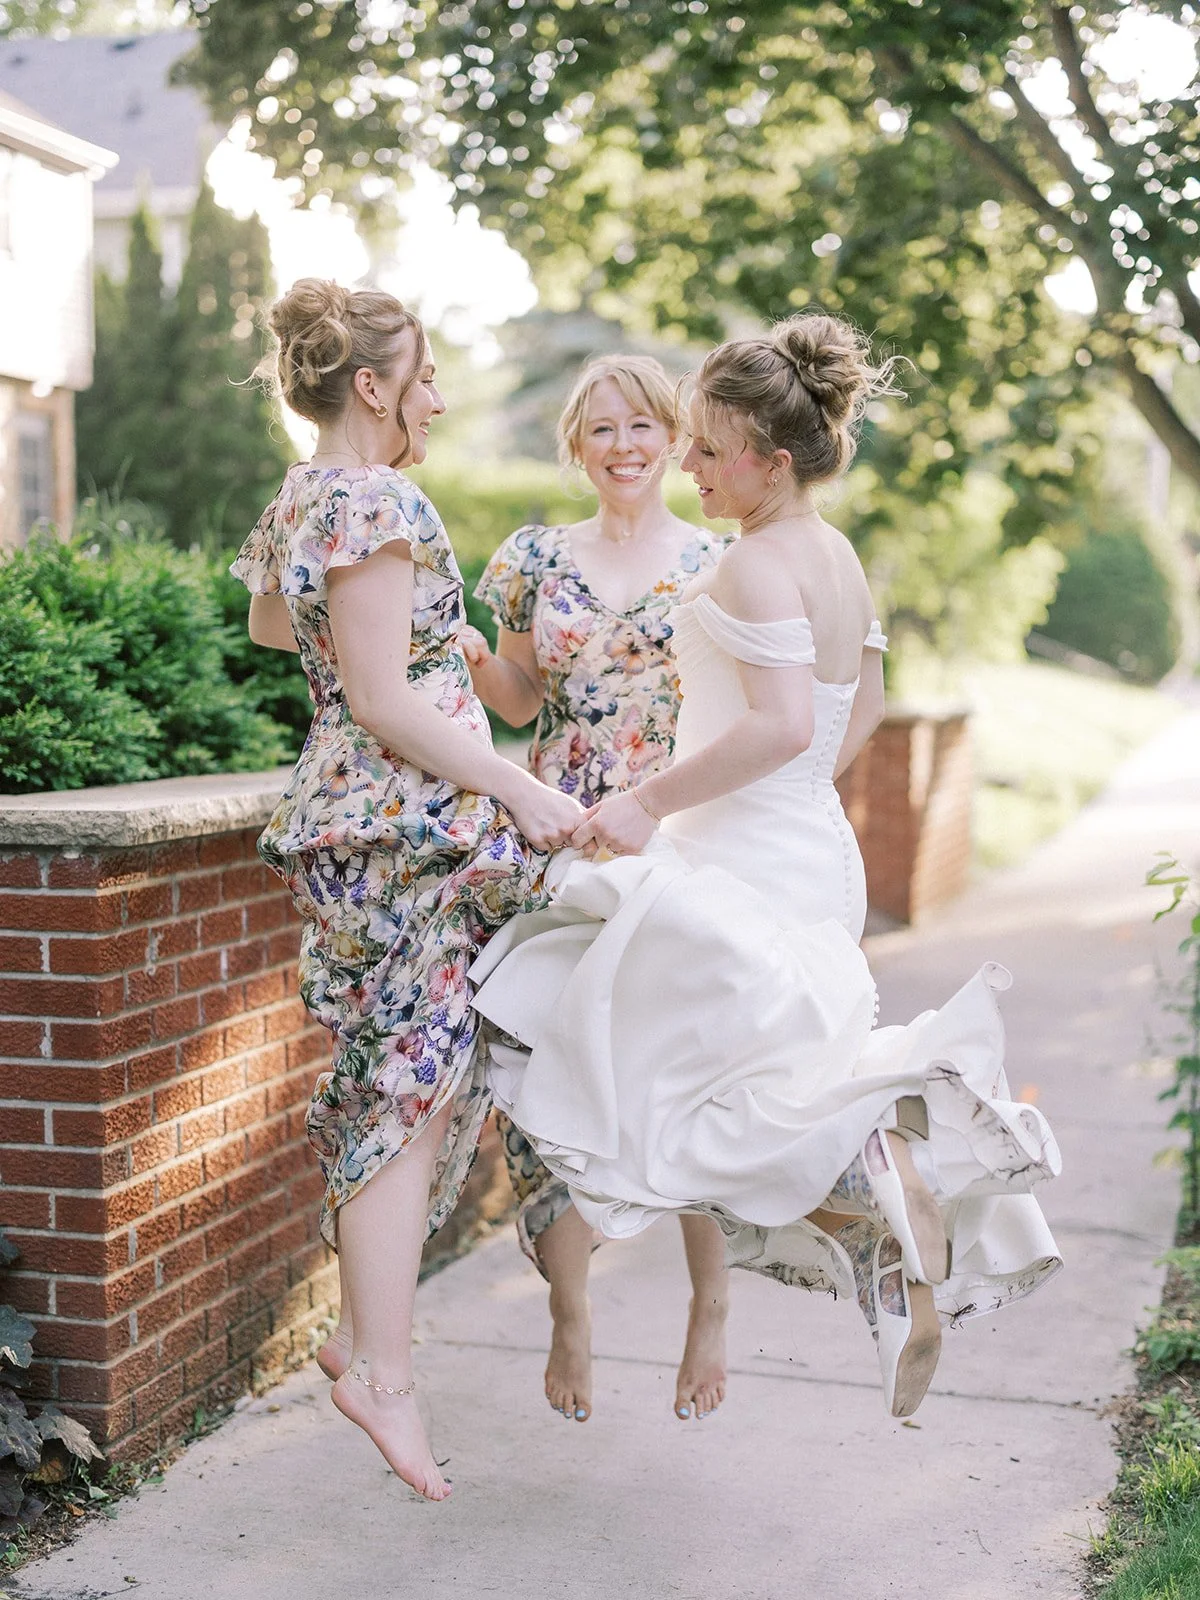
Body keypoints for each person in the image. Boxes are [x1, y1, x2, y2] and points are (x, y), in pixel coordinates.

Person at [470, 312, 1062, 1419]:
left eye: (705, 447)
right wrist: (791, 807)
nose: (691, 464)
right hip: (806, 851)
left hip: (738, 852)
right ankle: (880, 1215)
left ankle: (871, 1171)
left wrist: (648, 799)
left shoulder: (748, 565)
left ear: (769, 460)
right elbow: (862, 706)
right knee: (716, 1084)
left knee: (616, 1055)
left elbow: (783, 723)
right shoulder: (832, 554)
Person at [231, 278, 581, 1499]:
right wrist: (516, 785)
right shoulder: (373, 494)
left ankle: (366, 1346)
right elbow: (382, 698)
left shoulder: (305, 497)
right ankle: (382, 1371)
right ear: (372, 386)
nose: (436, 398)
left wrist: (429, 641)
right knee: (406, 1092)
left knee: (407, 1082)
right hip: (405, 822)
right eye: (425, 377)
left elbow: (284, 627)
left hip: (358, 815)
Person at [462, 355, 730, 1424]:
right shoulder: (532, 557)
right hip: (558, 831)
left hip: (675, 835)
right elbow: (521, 703)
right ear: (577, 445)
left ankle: (709, 1301)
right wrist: (476, 656)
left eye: (642, 426)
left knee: (689, 1071)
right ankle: (570, 1308)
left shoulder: (719, 561)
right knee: (544, 1081)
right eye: (602, 430)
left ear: (673, 438)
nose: (623, 446)